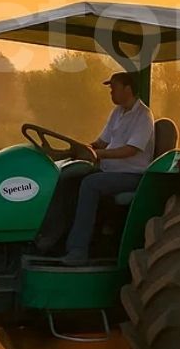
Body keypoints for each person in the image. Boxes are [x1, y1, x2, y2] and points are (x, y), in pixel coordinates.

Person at [60, 71, 155, 265]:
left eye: (114, 88)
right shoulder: (117, 113)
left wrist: (98, 155)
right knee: (70, 177)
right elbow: (102, 142)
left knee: (90, 184)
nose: (111, 92)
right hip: (110, 171)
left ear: (127, 89)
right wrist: (84, 149)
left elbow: (131, 150)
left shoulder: (143, 116)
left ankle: (78, 250)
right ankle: (54, 240)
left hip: (132, 175)